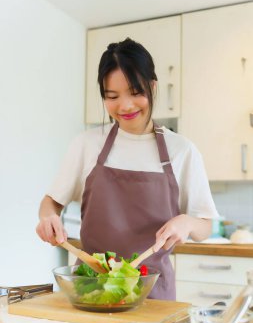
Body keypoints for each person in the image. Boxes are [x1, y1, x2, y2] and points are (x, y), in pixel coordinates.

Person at [36, 37, 218, 300]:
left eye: (135, 92)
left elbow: (205, 227)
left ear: (152, 87)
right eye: (112, 97)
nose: (125, 106)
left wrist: (187, 222)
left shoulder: (182, 151)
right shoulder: (87, 144)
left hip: (152, 292)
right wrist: (48, 219)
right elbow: (51, 203)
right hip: (90, 289)